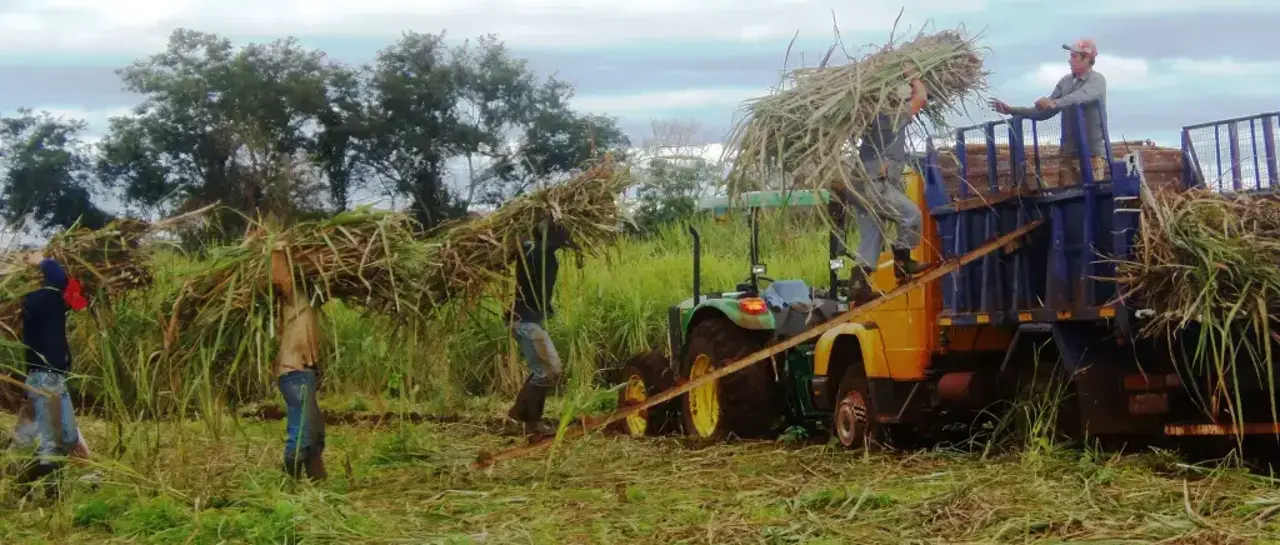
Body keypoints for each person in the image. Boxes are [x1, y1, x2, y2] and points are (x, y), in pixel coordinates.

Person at [832, 62, 932, 305]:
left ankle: (859, 284)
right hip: (875, 185)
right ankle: (902, 260)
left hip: (857, 186)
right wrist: (912, 74)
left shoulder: (869, 120)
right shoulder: (894, 116)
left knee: (871, 235)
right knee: (912, 216)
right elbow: (922, 97)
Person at [988, 39, 1108, 188]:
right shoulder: (1065, 82)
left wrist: (1055, 103)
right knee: (1067, 197)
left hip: (1091, 154)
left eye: (1074, 56)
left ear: (1087, 59)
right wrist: (1011, 110)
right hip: (1068, 153)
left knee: (1092, 194)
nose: (1069, 61)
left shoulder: (1097, 80)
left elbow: (1081, 96)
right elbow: (1044, 112)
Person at [16, 255, 91, 480]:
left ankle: (25, 475)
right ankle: (47, 491)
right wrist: (42, 260)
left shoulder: (47, 307)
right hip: (45, 379)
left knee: (66, 438)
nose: (70, 308)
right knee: (53, 443)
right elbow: (58, 278)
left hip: (50, 378)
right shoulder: (43, 300)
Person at [507, 220, 576, 441]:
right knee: (549, 370)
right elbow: (522, 246)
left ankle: (522, 418)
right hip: (522, 320)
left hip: (528, 320)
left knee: (543, 370)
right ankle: (524, 419)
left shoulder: (547, 257)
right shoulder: (532, 251)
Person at [270, 250, 326, 481]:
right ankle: (288, 488)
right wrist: (278, 245)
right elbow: (280, 274)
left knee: (315, 434)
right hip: (295, 374)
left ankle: (320, 486)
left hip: (305, 374)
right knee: (301, 434)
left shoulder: (310, 299)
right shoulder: (293, 297)